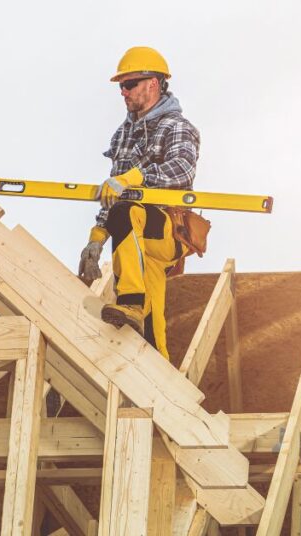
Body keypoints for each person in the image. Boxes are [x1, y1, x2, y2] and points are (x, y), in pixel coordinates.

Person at [78, 46, 201, 360]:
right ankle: (162, 381)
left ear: (154, 84)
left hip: (166, 232)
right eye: (121, 85)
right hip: (134, 240)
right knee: (149, 328)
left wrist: (132, 178)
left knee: (127, 209)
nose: (124, 91)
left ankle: (131, 299)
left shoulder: (177, 127)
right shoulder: (123, 135)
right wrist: (96, 239)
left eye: (130, 84)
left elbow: (182, 171)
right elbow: (112, 192)